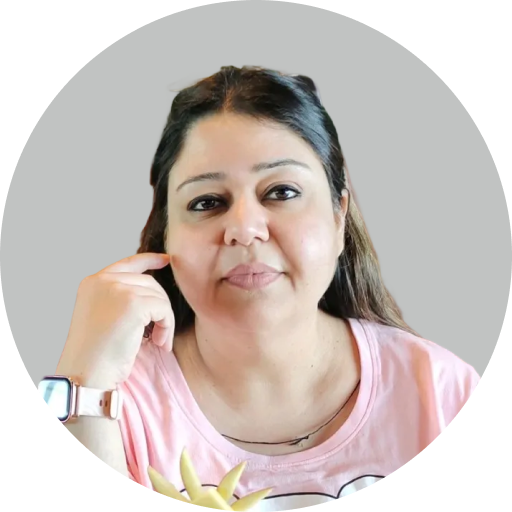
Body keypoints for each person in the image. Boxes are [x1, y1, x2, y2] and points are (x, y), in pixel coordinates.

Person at [50, 66, 480, 508]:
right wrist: (81, 381)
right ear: (166, 236)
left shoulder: (441, 393)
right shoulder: (109, 398)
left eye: (281, 192)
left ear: (339, 217)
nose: (244, 229)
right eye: (207, 202)